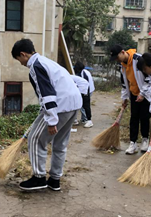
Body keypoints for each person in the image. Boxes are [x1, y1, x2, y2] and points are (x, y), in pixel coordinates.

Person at [11, 38, 82, 191]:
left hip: (60, 106)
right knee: (60, 144)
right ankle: (55, 180)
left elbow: (47, 94)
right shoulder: (47, 62)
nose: (21, 63)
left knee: (35, 139)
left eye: (19, 60)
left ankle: (39, 178)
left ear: (23, 54)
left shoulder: (36, 66)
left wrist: (51, 120)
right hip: (74, 105)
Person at [110, 45, 151, 154]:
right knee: (134, 118)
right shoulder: (122, 66)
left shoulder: (138, 59)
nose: (117, 60)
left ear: (123, 52)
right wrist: (124, 98)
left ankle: (145, 140)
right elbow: (124, 83)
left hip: (145, 94)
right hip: (133, 94)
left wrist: (142, 93)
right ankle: (133, 143)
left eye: (117, 57)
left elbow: (149, 77)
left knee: (144, 117)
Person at [73, 61, 95, 128]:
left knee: (85, 105)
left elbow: (86, 85)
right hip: (81, 89)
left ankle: (88, 120)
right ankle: (81, 119)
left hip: (87, 89)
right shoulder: (75, 73)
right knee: (79, 104)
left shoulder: (85, 74)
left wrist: (85, 95)